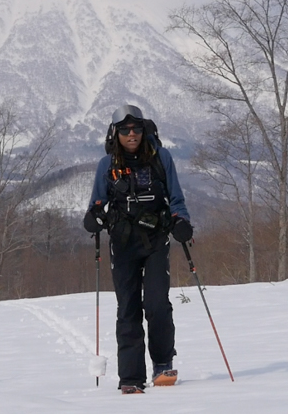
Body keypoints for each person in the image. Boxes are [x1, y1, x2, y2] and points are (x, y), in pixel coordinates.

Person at [84, 104, 194, 394]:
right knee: (128, 308)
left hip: (156, 239)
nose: (131, 134)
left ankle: (162, 365)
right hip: (122, 243)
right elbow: (97, 204)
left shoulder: (161, 159)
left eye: (136, 129)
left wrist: (181, 221)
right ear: (115, 133)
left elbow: (176, 199)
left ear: (145, 130)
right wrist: (93, 217)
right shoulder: (106, 166)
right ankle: (131, 377)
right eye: (124, 130)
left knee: (157, 303)